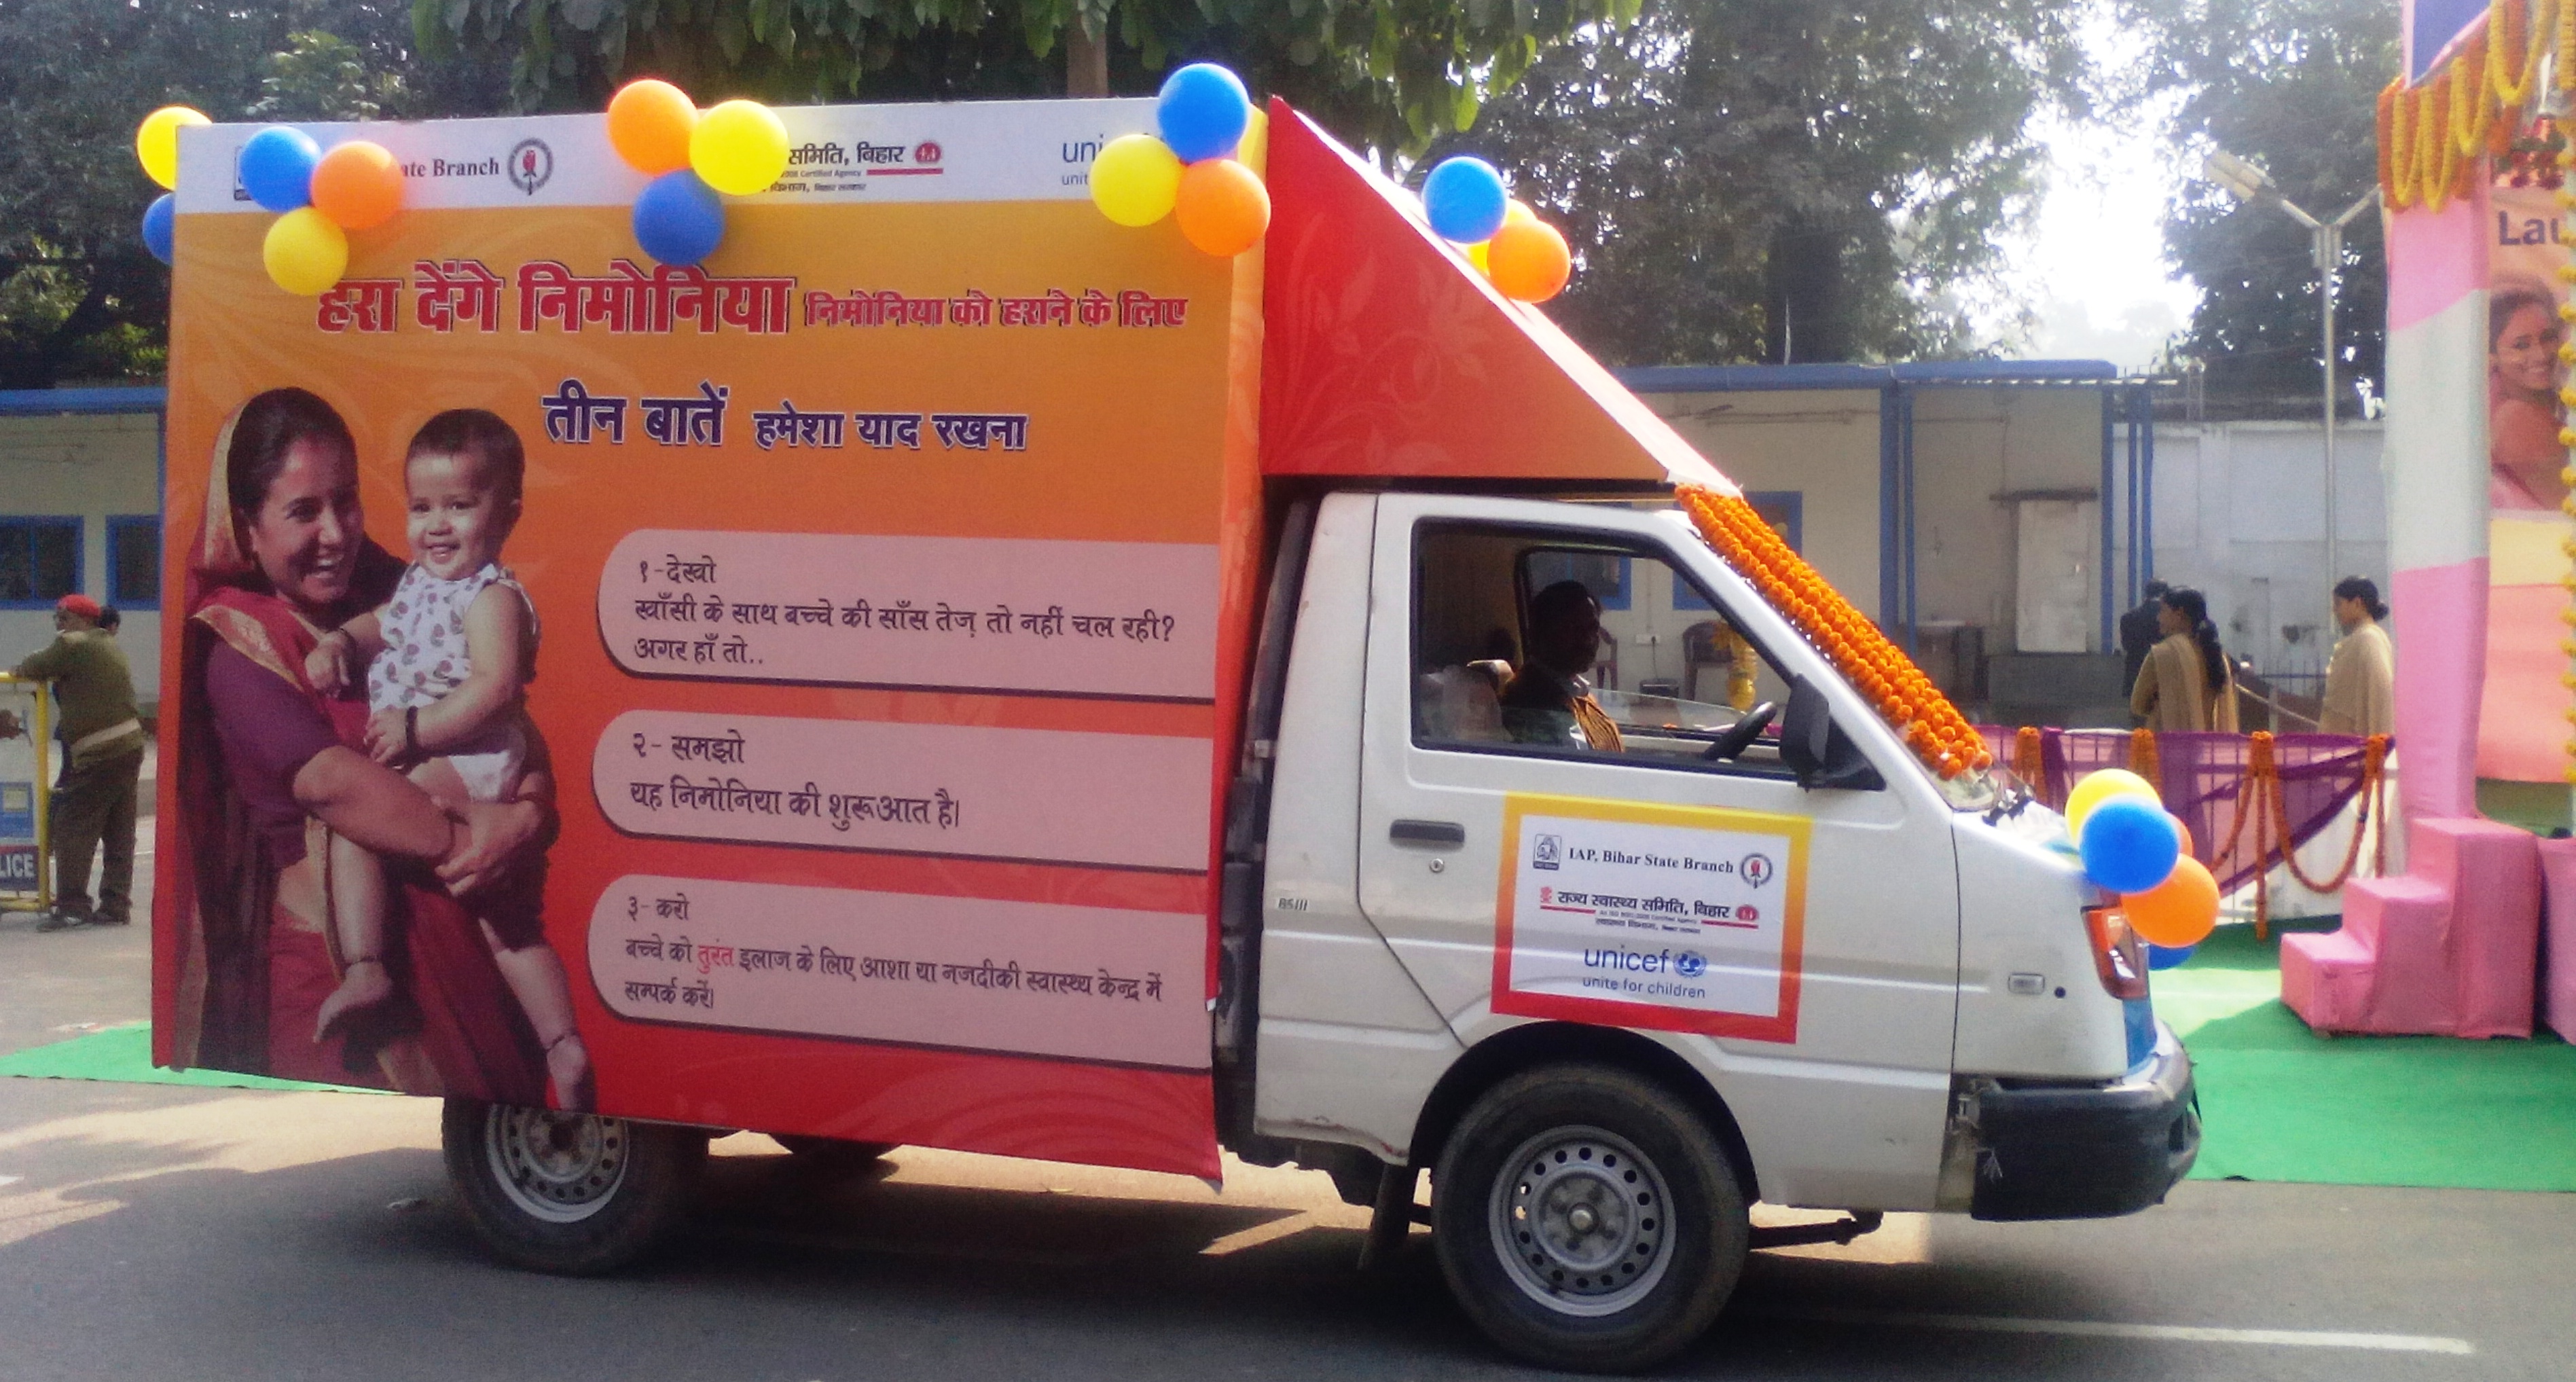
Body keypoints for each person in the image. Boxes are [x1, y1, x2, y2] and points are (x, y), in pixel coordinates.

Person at [168, 386, 554, 1104]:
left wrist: (525, 815)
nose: (335, 533)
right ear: (247, 525)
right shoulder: (239, 643)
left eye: (345, 502)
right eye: (303, 511)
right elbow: (331, 784)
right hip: (335, 963)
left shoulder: (406, 596)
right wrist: (474, 843)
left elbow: (506, 719)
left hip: (463, 942)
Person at [304, 410, 589, 1107]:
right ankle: (563, 1042)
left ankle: (367, 967)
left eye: (459, 506)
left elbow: (494, 687)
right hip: (456, 756)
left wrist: (415, 729)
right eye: (422, 507)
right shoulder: (420, 586)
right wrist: (340, 641)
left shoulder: (491, 598)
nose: (437, 525)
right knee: (505, 926)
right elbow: (383, 625)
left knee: (358, 821)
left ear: (507, 513)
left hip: (470, 754)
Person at [12, 594, 145, 932]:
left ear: (84, 621)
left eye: (65, 617)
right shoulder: (108, 643)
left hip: (99, 751)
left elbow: (34, 666)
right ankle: (115, 905)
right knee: (119, 829)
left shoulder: (74, 644)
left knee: (72, 825)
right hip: (130, 745)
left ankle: (73, 906)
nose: (59, 624)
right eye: (57, 618)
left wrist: (19, 670)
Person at [1501, 579, 1624, 750]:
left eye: (1593, 628)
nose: (1588, 640)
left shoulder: (1579, 692)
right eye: (1574, 629)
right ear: (1540, 634)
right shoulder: (1531, 704)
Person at [2487, 281, 2567, 511]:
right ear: (2492, 355)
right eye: (2521, 346)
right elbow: (2568, 505)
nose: (2541, 354)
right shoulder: (2516, 418)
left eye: (2548, 337)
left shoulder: (2545, 405)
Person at [2130, 585, 2241, 732]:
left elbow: (2138, 705)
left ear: (2179, 614)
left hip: (2168, 741)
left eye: (2163, 611)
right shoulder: (2217, 654)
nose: (2158, 618)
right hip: (2208, 742)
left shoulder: (2162, 654)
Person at [2321, 576, 2395, 736]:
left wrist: (2379, 741)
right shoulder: (2362, 638)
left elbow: (2381, 692)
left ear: (2357, 603)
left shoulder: (2369, 638)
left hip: (2361, 742)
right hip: (2345, 740)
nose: (2335, 611)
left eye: (2338, 604)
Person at [2119, 579, 2172, 693]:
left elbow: (2126, 646)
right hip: (2164, 673)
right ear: (2166, 594)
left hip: (2136, 673)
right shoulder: (2171, 619)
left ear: (2146, 593)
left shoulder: (2128, 617)